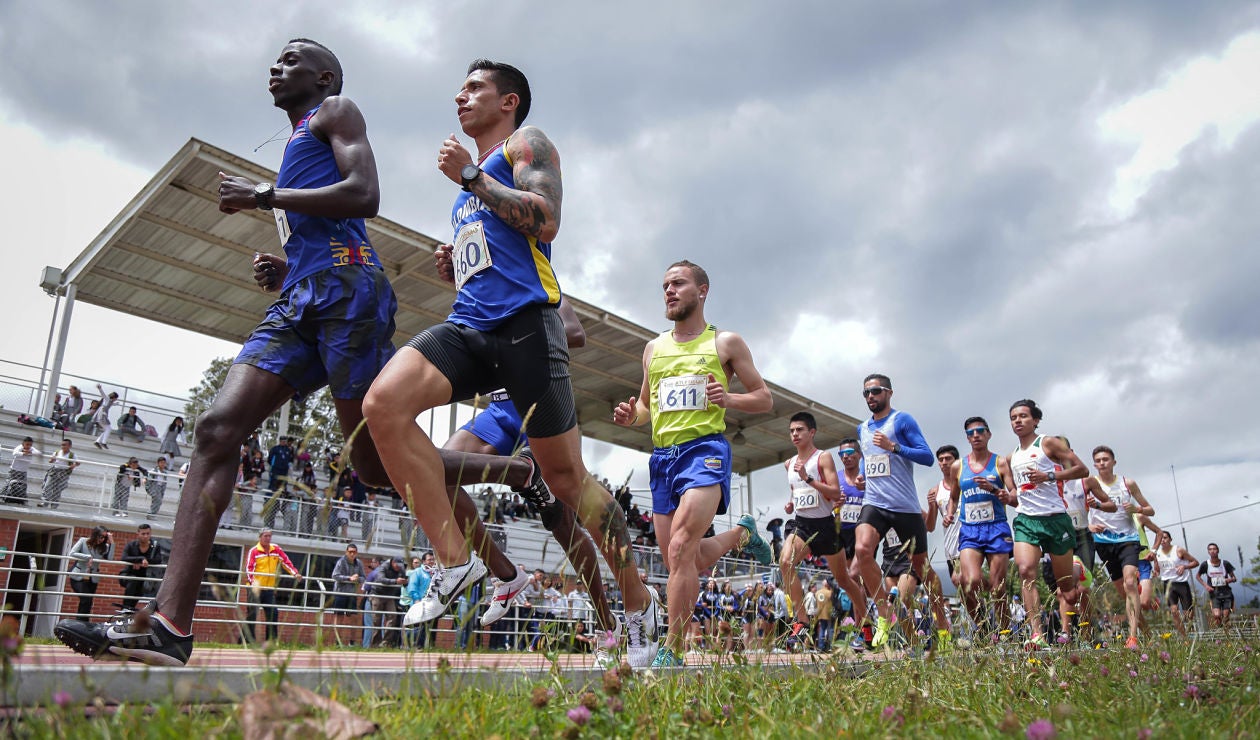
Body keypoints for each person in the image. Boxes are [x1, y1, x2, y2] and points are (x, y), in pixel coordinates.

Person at [54, 38, 392, 666]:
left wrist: (265, 197)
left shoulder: (337, 110)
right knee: (216, 430)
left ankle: (511, 473)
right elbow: (324, 224)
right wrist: (289, 266)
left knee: (373, 469)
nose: (274, 67)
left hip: (351, 295)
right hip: (304, 297)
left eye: (291, 61)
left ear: (323, 77)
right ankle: (169, 625)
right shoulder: (298, 142)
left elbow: (364, 194)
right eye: (275, 60)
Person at [362, 59, 659, 669]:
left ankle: (638, 603)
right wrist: (463, 263)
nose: (459, 97)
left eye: (474, 88)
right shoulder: (467, 196)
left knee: (568, 482)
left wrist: (470, 175)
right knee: (381, 405)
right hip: (471, 327)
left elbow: (545, 218)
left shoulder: (527, 144)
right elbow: (501, 247)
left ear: (510, 101)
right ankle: (457, 563)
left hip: (528, 329)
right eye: (460, 88)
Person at [611, 260, 774, 667]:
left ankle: (675, 650)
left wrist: (729, 399)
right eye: (665, 285)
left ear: (702, 290)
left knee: (682, 547)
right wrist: (633, 416)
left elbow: (764, 398)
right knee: (687, 559)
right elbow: (647, 404)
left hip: (705, 451)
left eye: (678, 283)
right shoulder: (653, 348)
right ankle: (740, 534)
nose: (669, 290)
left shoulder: (726, 343)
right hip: (663, 459)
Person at [1007, 399, 1104, 650]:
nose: (1018, 421)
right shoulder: (1013, 456)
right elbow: (1022, 492)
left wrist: (1049, 475)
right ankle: (1036, 635)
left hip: (1056, 521)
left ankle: (1082, 624)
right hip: (1027, 520)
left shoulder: (1048, 443)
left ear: (1036, 420)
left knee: (1067, 591)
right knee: (1026, 570)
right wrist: (1007, 497)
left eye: (1023, 416)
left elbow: (1081, 470)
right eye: (1014, 417)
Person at [848, 374, 934, 650]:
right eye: (866, 393)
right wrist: (862, 476)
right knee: (862, 551)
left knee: (923, 569)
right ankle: (885, 614)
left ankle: (941, 625)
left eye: (875, 391)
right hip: (874, 503)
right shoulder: (862, 428)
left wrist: (894, 446)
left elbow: (927, 456)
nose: (870, 396)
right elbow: (870, 462)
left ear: (889, 393)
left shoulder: (902, 420)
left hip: (904, 506)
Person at [777, 412, 855, 647]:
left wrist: (808, 478)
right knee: (785, 562)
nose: (794, 434)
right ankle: (800, 622)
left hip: (825, 525)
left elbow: (834, 493)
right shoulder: (788, 463)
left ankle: (866, 621)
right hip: (802, 524)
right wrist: (791, 503)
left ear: (812, 432)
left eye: (799, 430)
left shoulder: (823, 458)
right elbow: (796, 491)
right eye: (791, 431)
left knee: (844, 579)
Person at [946, 418, 1017, 640]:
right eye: (971, 432)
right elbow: (953, 496)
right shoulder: (958, 466)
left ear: (988, 434)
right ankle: (983, 628)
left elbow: (1014, 495)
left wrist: (998, 490)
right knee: (969, 582)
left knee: (998, 589)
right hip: (970, 530)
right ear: (967, 438)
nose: (975, 435)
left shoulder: (1001, 462)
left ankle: (1005, 635)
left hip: (996, 528)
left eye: (980, 431)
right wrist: (950, 513)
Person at [1087, 445, 1155, 650]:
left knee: (1130, 584)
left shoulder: (1127, 483)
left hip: (1128, 540)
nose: (1102, 463)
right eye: (1098, 460)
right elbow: (1077, 510)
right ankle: (1147, 633)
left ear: (1114, 462)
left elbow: (1150, 510)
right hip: (1104, 543)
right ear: (1094, 464)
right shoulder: (1089, 484)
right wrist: (1089, 526)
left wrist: (1137, 508)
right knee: (1125, 594)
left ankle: (1132, 638)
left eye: (1105, 459)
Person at [244, 528, 303, 644]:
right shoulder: (254, 551)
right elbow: (249, 569)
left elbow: (286, 561)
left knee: (273, 612)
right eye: (265, 536)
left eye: (269, 536)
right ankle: (247, 640)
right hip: (255, 588)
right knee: (252, 613)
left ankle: (271, 640)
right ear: (260, 537)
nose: (268, 538)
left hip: (269, 588)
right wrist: (253, 583)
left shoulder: (275, 549)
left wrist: (295, 573)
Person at [1152, 531, 1199, 637]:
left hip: (1181, 583)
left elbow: (1195, 562)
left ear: (1170, 539)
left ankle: (1191, 632)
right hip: (1168, 584)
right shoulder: (1157, 554)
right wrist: (1155, 571)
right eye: (1160, 538)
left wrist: (1184, 566)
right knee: (1174, 611)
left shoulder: (1178, 550)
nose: (1163, 540)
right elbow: (1157, 570)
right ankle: (1184, 638)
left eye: (1165, 538)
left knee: (1188, 614)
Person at [67, 526, 113, 621]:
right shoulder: (83, 541)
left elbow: (110, 558)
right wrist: (87, 557)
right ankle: (80, 623)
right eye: (100, 536)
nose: (102, 539)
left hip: (92, 578)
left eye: (104, 537)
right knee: (85, 599)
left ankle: (82, 623)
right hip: (78, 576)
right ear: (95, 534)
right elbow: (72, 553)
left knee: (88, 601)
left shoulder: (105, 547)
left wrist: (112, 542)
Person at [119, 524, 163, 611]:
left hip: (144, 578)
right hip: (128, 575)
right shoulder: (131, 545)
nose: (146, 536)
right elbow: (124, 557)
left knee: (136, 595)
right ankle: (125, 609)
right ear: (138, 534)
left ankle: (128, 611)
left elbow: (158, 560)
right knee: (133, 581)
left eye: (148, 534)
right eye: (143, 534)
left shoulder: (155, 546)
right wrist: (140, 559)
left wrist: (145, 561)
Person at [329, 543, 366, 645]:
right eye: (350, 552)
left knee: (354, 617)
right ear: (346, 552)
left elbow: (364, 578)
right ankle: (337, 642)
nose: (352, 554)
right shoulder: (341, 562)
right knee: (339, 616)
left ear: (356, 553)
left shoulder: (359, 563)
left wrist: (358, 579)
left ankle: (352, 642)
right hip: (340, 593)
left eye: (354, 552)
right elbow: (335, 576)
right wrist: (349, 578)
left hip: (352, 594)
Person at [1196, 542, 1237, 629]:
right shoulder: (1205, 564)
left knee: (1225, 616)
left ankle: (1226, 632)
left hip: (1226, 593)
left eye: (1214, 549)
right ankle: (1220, 629)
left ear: (1218, 550)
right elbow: (1198, 576)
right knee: (1217, 615)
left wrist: (1229, 580)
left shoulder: (1225, 563)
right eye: (1210, 549)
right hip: (1214, 593)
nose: (1212, 551)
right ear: (1208, 552)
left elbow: (1234, 578)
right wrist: (1206, 586)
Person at [41, 438, 79, 508]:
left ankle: (54, 505)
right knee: (47, 486)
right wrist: (52, 460)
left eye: (64, 445)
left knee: (57, 489)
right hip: (54, 471)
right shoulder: (57, 452)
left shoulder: (72, 455)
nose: (63, 446)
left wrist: (73, 465)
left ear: (69, 446)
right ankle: (44, 502)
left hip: (64, 472)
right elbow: (51, 461)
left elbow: (78, 462)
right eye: (62, 445)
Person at [4, 437, 40, 504]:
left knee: (23, 485)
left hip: (23, 471)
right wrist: (23, 453)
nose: (28, 446)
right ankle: (3, 497)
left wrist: (30, 452)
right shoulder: (20, 447)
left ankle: (21, 500)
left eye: (30, 445)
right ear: (23, 443)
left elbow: (38, 453)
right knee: (8, 483)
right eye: (27, 444)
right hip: (14, 470)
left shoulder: (31, 449)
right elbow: (14, 453)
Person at [92, 384, 119, 449]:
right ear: (114, 397)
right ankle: (103, 442)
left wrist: (115, 404)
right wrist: (100, 388)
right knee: (108, 429)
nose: (116, 399)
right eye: (116, 398)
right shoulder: (107, 399)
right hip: (102, 415)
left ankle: (98, 441)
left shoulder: (110, 401)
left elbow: (111, 404)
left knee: (107, 429)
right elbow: (103, 395)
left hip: (103, 415)